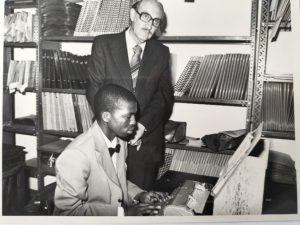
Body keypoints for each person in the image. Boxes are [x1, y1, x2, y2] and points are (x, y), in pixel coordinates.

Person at [86, 0, 174, 191]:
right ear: (133, 15)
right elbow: (94, 91)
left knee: (141, 208)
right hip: (110, 139)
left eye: (156, 21)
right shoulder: (103, 44)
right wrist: (118, 127)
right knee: (108, 206)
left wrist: (142, 125)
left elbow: (164, 97)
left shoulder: (161, 53)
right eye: (146, 17)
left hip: (146, 146)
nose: (150, 25)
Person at [54, 84, 168, 216]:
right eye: (128, 116)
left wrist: (139, 194)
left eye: (135, 116)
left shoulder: (121, 140)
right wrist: (123, 213)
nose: (134, 122)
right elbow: (68, 213)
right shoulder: (75, 155)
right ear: (106, 116)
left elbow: (115, 181)